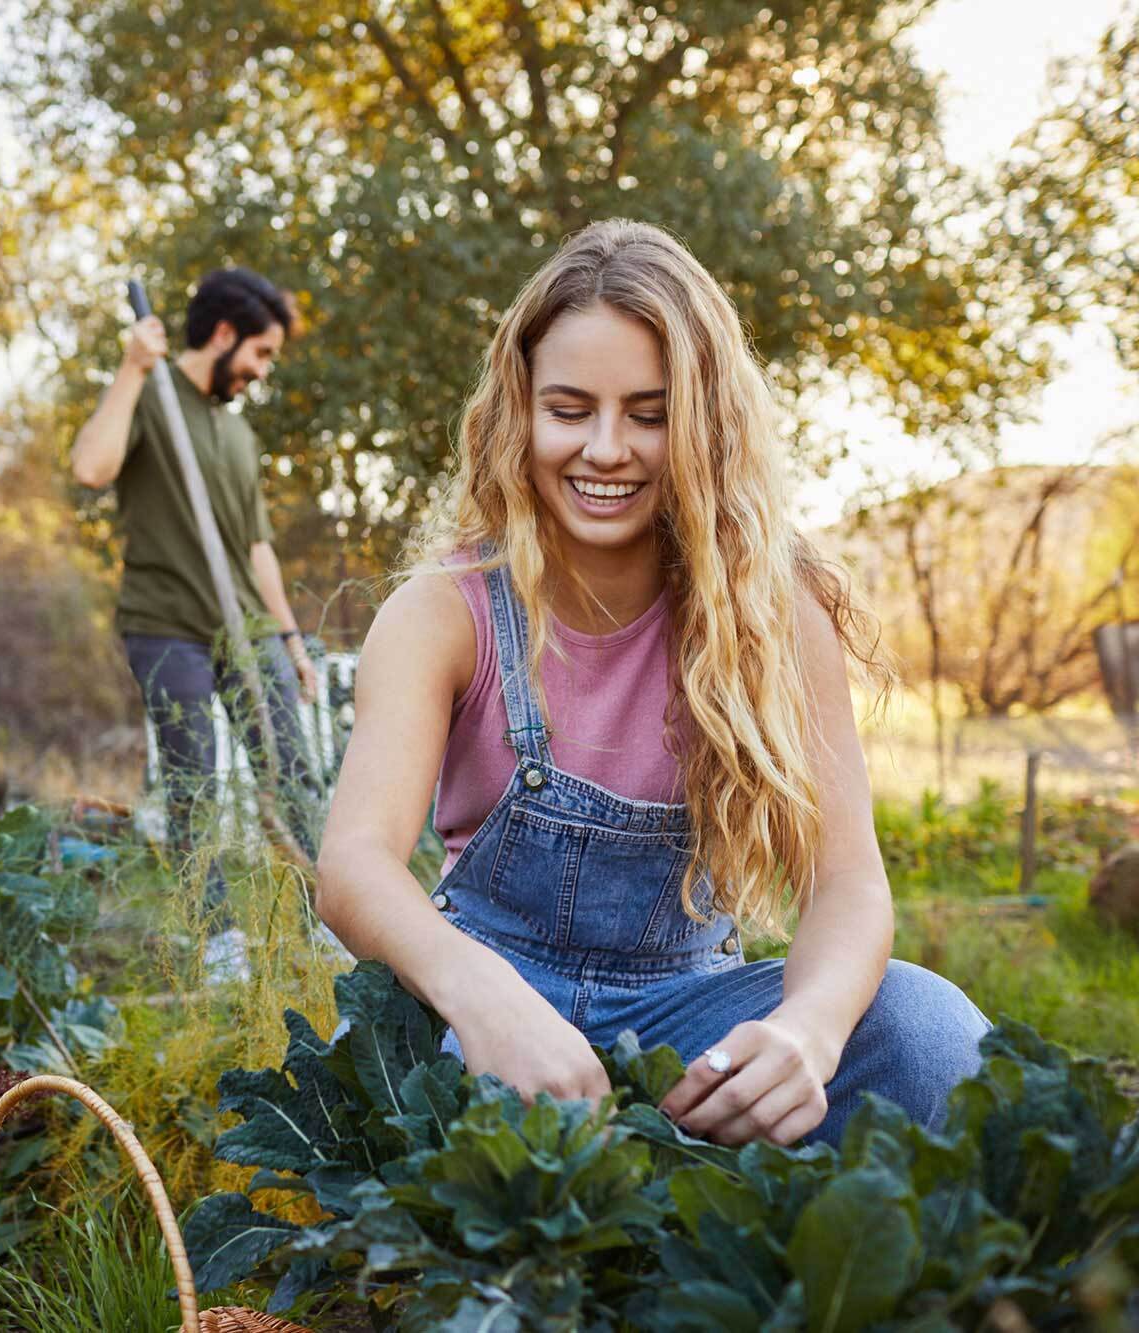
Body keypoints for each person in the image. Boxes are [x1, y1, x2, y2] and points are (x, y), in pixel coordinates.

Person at [315, 220, 988, 1147]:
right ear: (521, 412)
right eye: (569, 408)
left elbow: (847, 884)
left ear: (705, 421)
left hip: (690, 1013)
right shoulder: (444, 612)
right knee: (407, 1081)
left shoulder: (776, 613)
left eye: (649, 411)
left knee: (931, 1033)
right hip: (483, 1004)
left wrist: (807, 1032)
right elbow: (354, 864)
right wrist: (486, 999)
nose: (605, 448)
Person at [70, 268, 322, 944]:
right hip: (165, 626)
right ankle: (220, 943)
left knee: (294, 771)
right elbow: (91, 467)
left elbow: (257, 548)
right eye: (260, 352)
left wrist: (292, 641)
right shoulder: (151, 394)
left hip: (248, 625)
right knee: (193, 783)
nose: (261, 371)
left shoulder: (237, 434)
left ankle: (329, 920)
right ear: (222, 333)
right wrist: (130, 367)